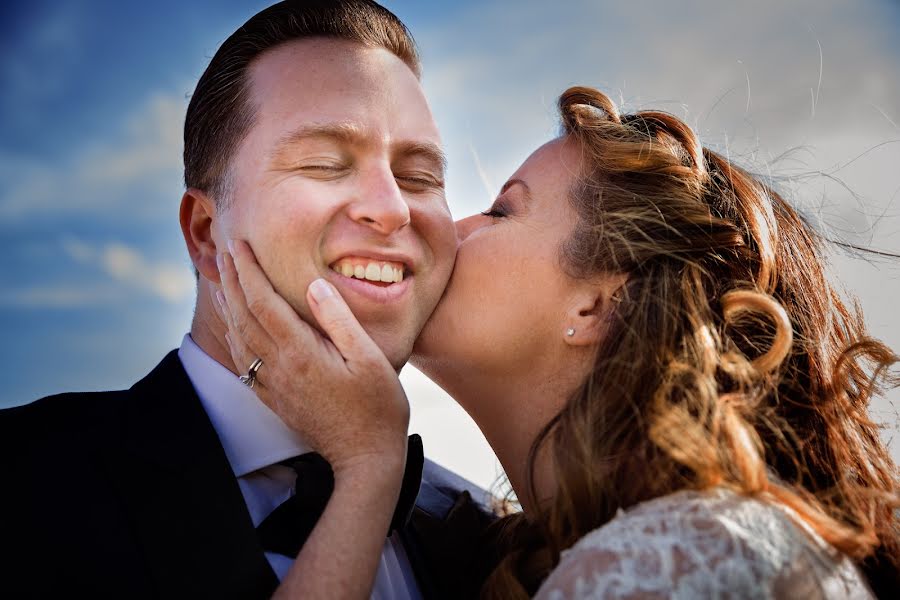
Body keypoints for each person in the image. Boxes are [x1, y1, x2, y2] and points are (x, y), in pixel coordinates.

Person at [218, 87, 900, 598]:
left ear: (599, 302)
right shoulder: (578, 548)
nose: (441, 227)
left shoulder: (672, 562)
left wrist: (367, 466)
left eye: (502, 210)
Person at [0, 2, 494, 598]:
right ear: (207, 234)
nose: (391, 208)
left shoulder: (483, 534)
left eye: (419, 177)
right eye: (324, 164)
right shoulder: (19, 477)